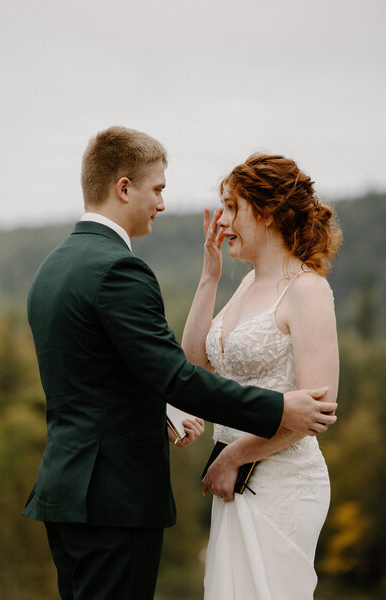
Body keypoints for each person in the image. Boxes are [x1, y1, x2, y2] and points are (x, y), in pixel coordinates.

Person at [22, 129, 337, 600]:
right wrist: (275, 410)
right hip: (119, 501)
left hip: (75, 491)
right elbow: (182, 371)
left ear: (267, 212)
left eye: (232, 207)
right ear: (124, 188)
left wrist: (174, 415)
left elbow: (108, 375)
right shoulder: (120, 269)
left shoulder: (53, 266)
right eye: (159, 190)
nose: (165, 204)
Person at [182, 153, 342, 599]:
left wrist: (233, 457)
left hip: (282, 480)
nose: (223, 220)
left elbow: (319, 411)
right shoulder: (247, 284)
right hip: (234, 481)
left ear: (267, 212)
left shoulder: (307, 290)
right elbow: (194, 364)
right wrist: (209, 278)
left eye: (233, 207)